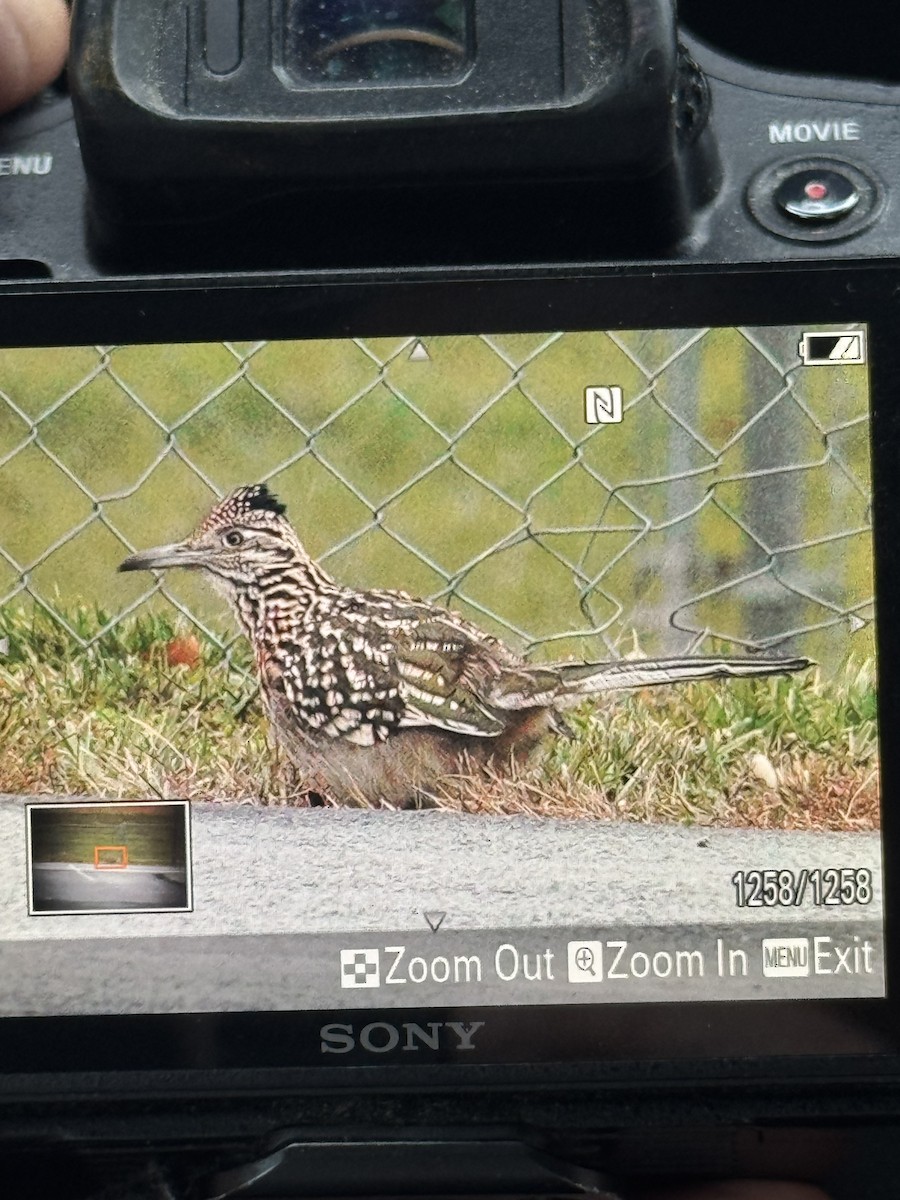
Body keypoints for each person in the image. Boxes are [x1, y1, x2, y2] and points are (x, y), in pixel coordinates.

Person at [0, 3, 833, 1199]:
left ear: (267, 560)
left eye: (222, 546)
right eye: (206, 547)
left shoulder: (309, 648)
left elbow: (435, 727)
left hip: (466, 714)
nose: (199, 558)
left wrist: (494, 717)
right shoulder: (298, 629)